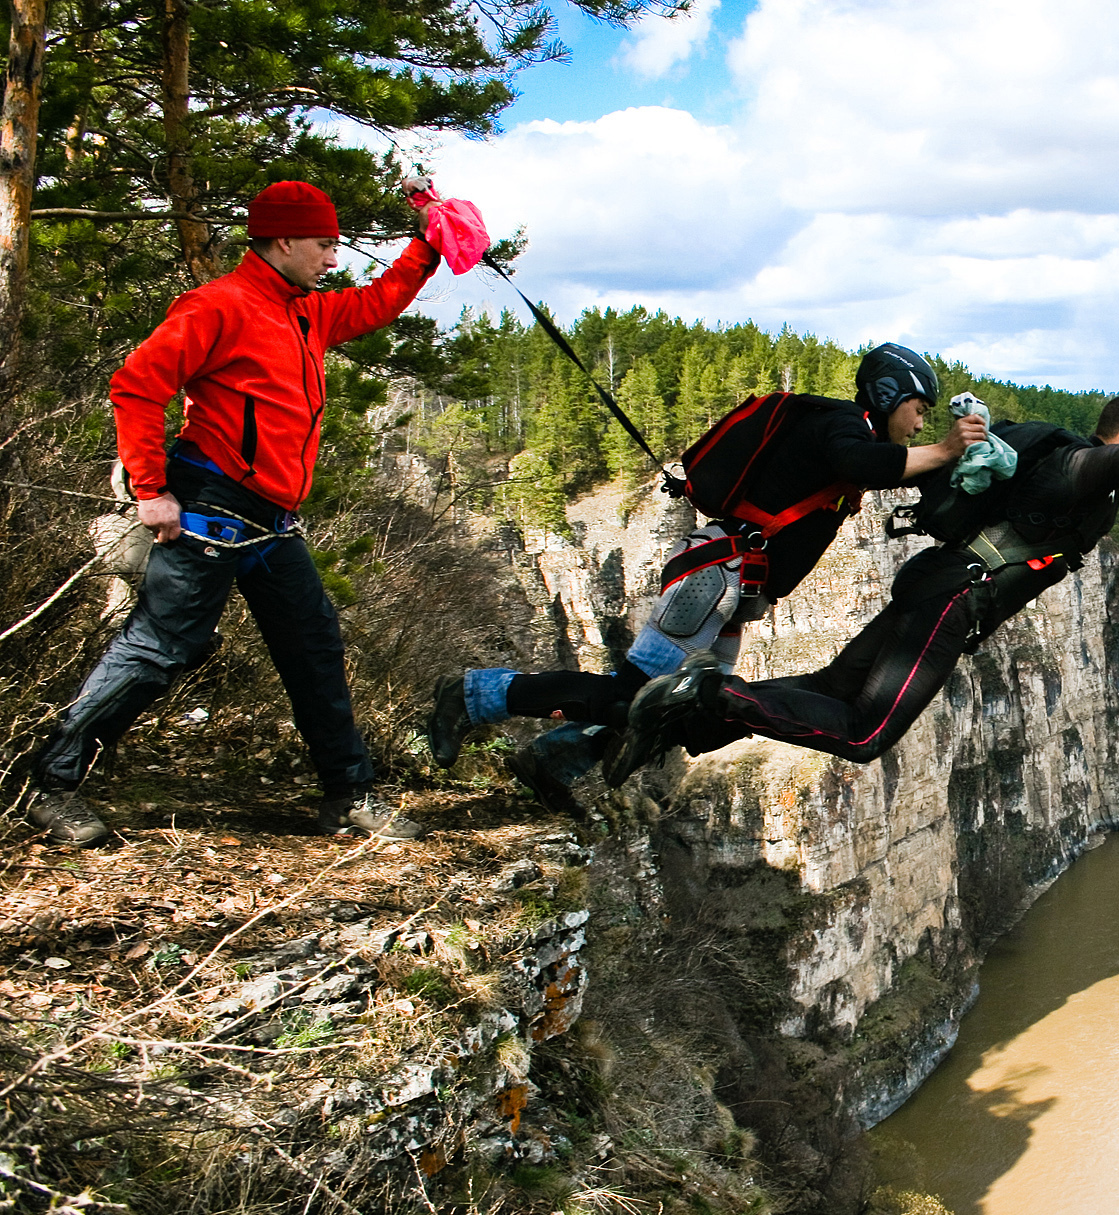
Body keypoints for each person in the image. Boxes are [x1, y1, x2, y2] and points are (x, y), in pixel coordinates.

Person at [604, 366, 1119, 775]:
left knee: (825, 689)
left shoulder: (1057, 453)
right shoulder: (1078, 471)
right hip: (953, 603)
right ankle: (712, 695)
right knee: (862, 734)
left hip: (933, 580)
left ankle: (673, 720)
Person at [23, 181, 450, 848]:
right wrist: (149, 487)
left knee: (313, 644)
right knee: (164, 646)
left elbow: (375, 304)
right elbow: (137, 384)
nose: (333, 260)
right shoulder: (218, 305)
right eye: (323, 245)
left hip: (272, 519)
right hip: (210, 502)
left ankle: (348, 795)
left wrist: (426, 245)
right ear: (283, 240)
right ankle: (46, 786)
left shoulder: (305, 312)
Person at [427, 344, 984, 805]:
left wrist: (972, 459)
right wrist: (945, 447)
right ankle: (477, 694)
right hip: (717, 575)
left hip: (737, 589)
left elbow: (893, 474)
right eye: (918, 407)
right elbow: (865, 465)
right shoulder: (840, 425)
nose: (919, 422)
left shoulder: (855, 439)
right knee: (638, 695)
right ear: (890, 395)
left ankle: (554, 759)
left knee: (683, 707)